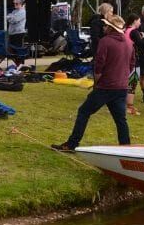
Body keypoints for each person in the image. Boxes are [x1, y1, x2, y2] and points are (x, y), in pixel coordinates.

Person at [52, 15, 134, 152]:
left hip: (106, 86)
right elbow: (131, 65)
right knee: (121, 120)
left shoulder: (105, 41)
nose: (104, 27)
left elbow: (99, 66)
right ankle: (126, 148)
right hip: (121, 86)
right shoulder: (129, 43)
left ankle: (72, 144)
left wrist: (97, 81)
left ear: (111, 28)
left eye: (107, 25)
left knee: (84, 112)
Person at [123, 14, 141, 116]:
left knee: (127, 82)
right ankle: (129, 106)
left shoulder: (126, 30)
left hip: (125, 58)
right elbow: (141, 44)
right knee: (132, 82)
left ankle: (125, 104)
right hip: (133, 59)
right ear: (134, 21)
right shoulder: (134, 32)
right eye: (139, 21)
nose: (140, 23)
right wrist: (142, 37)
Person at [6, 0, 27, 64]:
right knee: (13, 52)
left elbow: (14, 20)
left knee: (19, 51)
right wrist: (10, 17)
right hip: (12, 34)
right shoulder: (14, 11)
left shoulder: (22, 11)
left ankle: (20, 65)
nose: (15, 5)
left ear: (21, 4)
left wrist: (10, 17)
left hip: (19, 34)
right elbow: (8, 17)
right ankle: (16, 65)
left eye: (16, 3)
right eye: (14, 3)